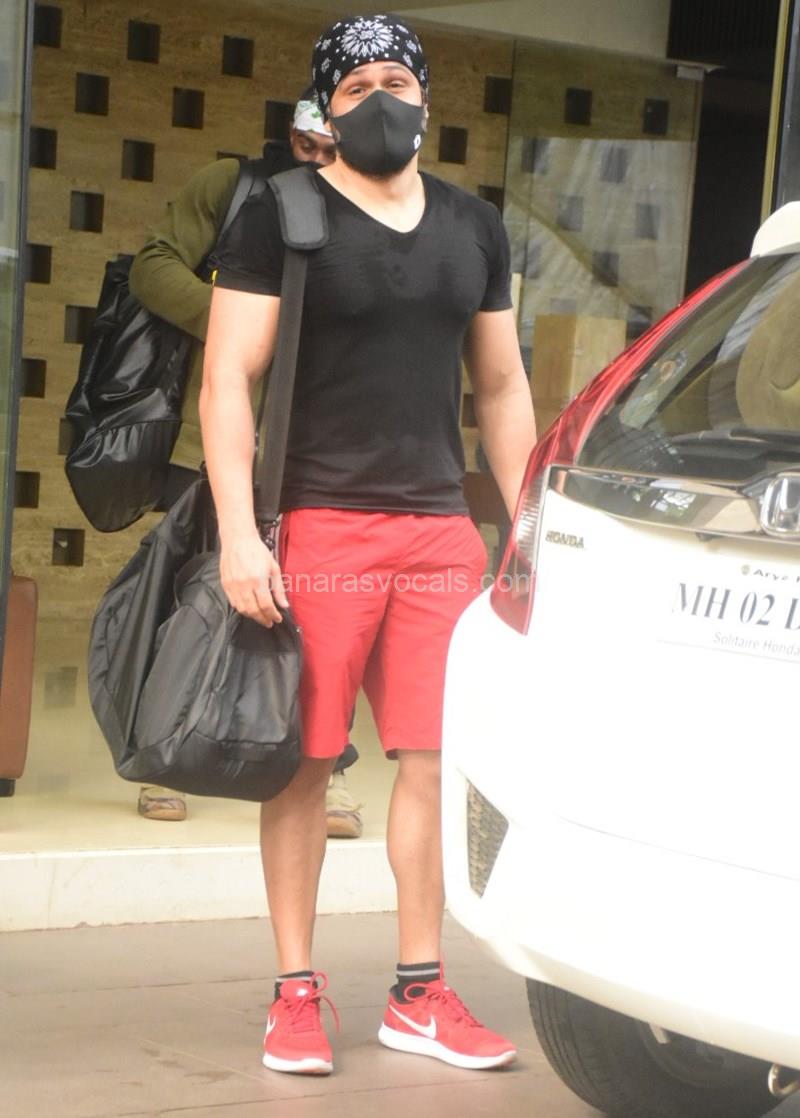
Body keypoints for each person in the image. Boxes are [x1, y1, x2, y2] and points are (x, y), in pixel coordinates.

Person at [202, 13, 537, 1075]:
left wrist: (526, 526)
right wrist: (238, 535)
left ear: (426, 98)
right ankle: (295, 991)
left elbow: (500, 387)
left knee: (430, 764)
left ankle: (418, 991)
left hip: (440, 532)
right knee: (304, 764)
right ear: (325, 107)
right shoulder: (279, 211)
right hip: (317, 527)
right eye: (356, 88)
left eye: (397, 80)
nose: (380, 100)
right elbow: (226, 380)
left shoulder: (475, 227)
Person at [128, 94, 364, 839]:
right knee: (196, 594)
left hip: (321, 447)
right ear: (289, 133)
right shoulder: (232, 186)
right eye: (307, 144)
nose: (317, 159)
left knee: (324, 618)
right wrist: (240, 321)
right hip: (224, 432)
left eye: (330, 149)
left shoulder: (370, 205)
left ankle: (324, 774)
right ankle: (165, 759)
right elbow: (152, 267)